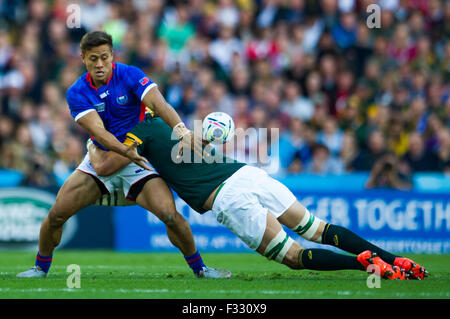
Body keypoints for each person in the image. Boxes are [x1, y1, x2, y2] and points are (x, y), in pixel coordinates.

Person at [89, 115, 428, 280]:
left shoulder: (139, 131)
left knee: (293, 256)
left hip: (227, 196)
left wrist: (94, 143)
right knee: (317, 229)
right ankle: (396, 260)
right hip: (247, 173)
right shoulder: (169, 121)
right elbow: (191, 150)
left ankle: (365, 264)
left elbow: (105, 167)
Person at [17, 31, 230, 279]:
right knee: (56, 215)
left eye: (104, 58)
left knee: (171, 215)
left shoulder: (130, 75)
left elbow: (159, 104)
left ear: (112, 56)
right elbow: (98, 132)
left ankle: (201, 269)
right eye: (93, 58)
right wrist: (125, 151)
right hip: (107, 157)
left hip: (134, 161)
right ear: (83, 57)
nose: (99, 64)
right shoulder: (77, 92)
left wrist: (181, 130)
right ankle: (40, 269)